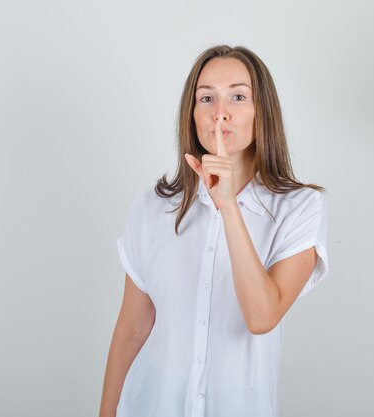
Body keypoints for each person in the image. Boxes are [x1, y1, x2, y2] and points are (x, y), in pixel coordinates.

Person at [99, 44, 329, 417]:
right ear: (192, 115)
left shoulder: (300, 208)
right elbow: (131, 329)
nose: (220, 113)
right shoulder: (152, 208)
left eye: (238, 96)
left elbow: (261, 317)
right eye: (206, 98)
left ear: (262, 113)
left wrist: (228, 207)